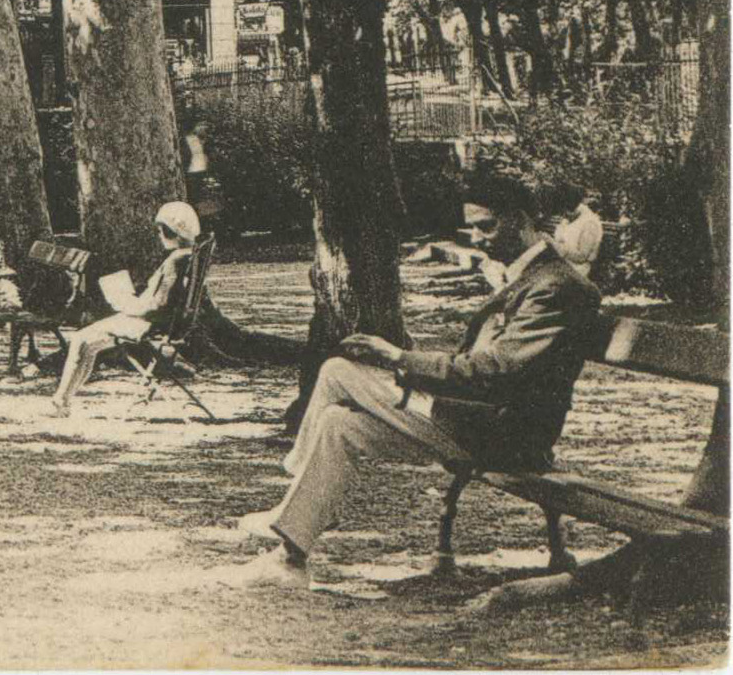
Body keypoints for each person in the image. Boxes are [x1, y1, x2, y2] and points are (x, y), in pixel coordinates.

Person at [221, 175, 599, 588]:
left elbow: (497, 371)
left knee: (337, 371)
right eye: (472, 227)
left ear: (523, 220)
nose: (476, 238)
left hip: (506, 435)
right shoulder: (531, 277)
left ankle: (291, 494)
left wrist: (400, 358)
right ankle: (289, 560)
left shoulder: (557, 285)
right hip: (474, 420)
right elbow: (483, 365)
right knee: (337, 423)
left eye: (485, 225)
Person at [52, 201, 202, 416]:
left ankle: (61, 401)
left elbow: (157, 304)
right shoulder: (188, 256)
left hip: (146, 322)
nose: (159, 235)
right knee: (88, 342)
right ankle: (62, 400)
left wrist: (128, 305)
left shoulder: (175, 262)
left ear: (172, 232)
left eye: (161, 230)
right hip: (162, 321)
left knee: (80, 339)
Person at [549, 186, 603, 282]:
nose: (562, 215)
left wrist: (556, 247)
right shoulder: (569, 219)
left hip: (578, 272)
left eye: (564, 211)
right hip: (562, 267)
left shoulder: (589, 223)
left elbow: (582, 257)